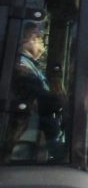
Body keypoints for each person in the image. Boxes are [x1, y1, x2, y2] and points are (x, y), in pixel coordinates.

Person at [8, 22, 64, 161]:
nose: (40, 40)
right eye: (36, 36)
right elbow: (32, 96)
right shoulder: (19, 65)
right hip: (21, 136)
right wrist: (59, 102)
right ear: (23, 40)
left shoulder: (32, 67)